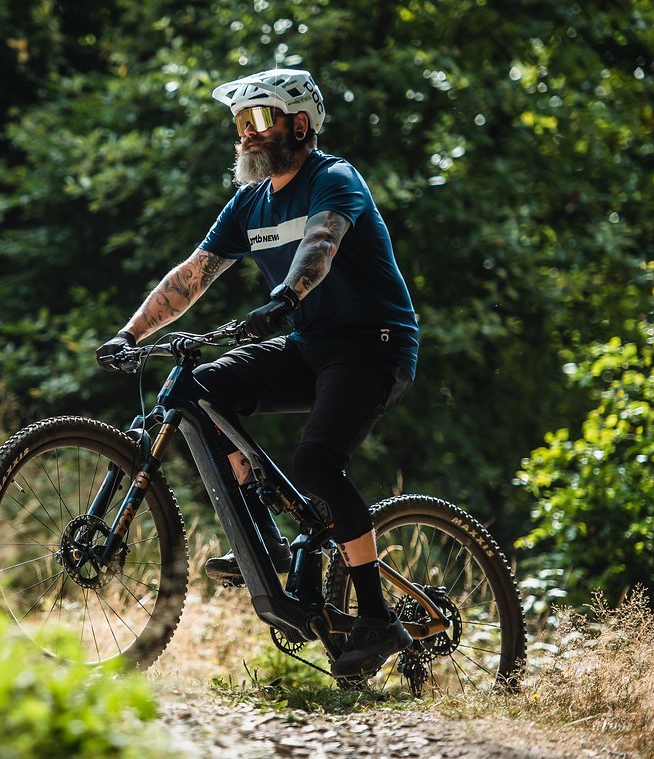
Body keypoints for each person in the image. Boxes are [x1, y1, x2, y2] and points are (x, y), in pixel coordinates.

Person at [95, 69, 419, 677]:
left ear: (299, 125)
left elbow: (319, 246)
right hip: (309, 343)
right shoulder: (251, 200)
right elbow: (194, 274)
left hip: (372, 346)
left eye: (259, 121)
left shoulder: (334, 179)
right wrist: (130, 333)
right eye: (240, 124)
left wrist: (285, 298)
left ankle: (378, 617)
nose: (246, 135)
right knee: (206, 389)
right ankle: (266, 538)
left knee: (318, 463)